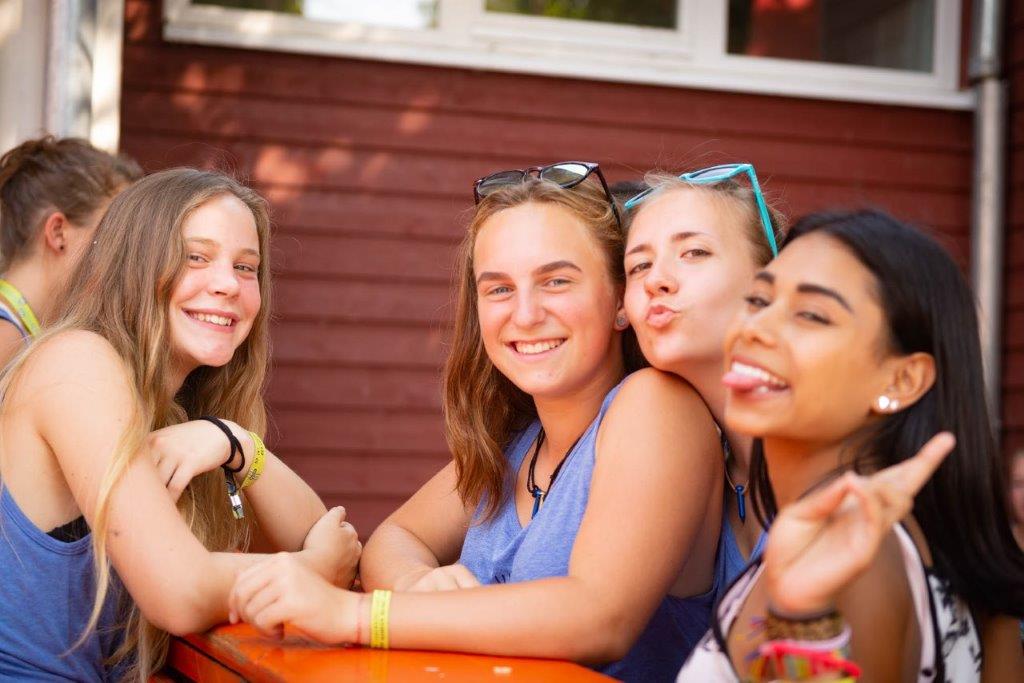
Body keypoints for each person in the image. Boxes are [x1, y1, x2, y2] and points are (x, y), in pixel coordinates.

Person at [229, 162, 725, 680]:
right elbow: (396, 536)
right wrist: (416, 584)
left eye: (556, 281)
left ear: (620, 301)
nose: (525, 314)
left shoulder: (655, 405)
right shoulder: (522, 444)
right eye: (499, 289)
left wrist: (356, 615)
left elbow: (600, 617)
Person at [0, 168, 360, 681]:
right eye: (196, 257)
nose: (227, 284)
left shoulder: (177, 411)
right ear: (134, 263)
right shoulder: (76, 362)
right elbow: (181, 592)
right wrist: (313, 571)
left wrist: (236, 442)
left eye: (245, 267)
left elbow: (321, 536)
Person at [678, 209, 1024, 681]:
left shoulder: (861, 559)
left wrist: (804, 617)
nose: (753, 328)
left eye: (811, 314)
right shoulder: (901, 542)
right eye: (758, 299)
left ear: (902, 380)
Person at [623, 163, 785, 572]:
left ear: (767, 282)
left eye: (694, 252)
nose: (655, 280)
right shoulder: (695, 480)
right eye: (639, 265)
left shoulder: (839, 460)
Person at [0, 136, 141, 364]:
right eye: (113, 233)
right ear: (58, 232)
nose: (125, 253)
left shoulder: (24, 332)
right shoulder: (6, 337)